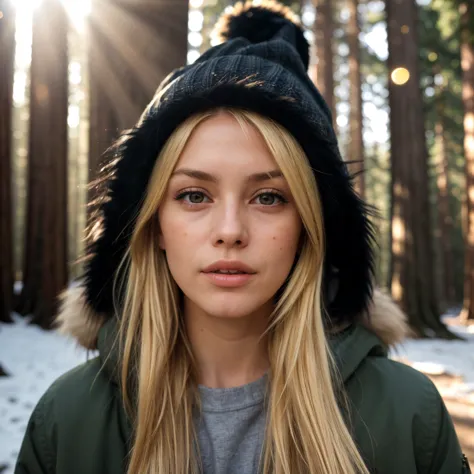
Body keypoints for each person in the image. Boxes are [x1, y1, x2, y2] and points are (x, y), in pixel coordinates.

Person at [15, 1, 471, 474]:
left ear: (311, 227)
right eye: (194, 195)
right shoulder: (67, 421)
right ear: (154, 224)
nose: (230, 231)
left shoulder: (408, 414)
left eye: (269, 198)